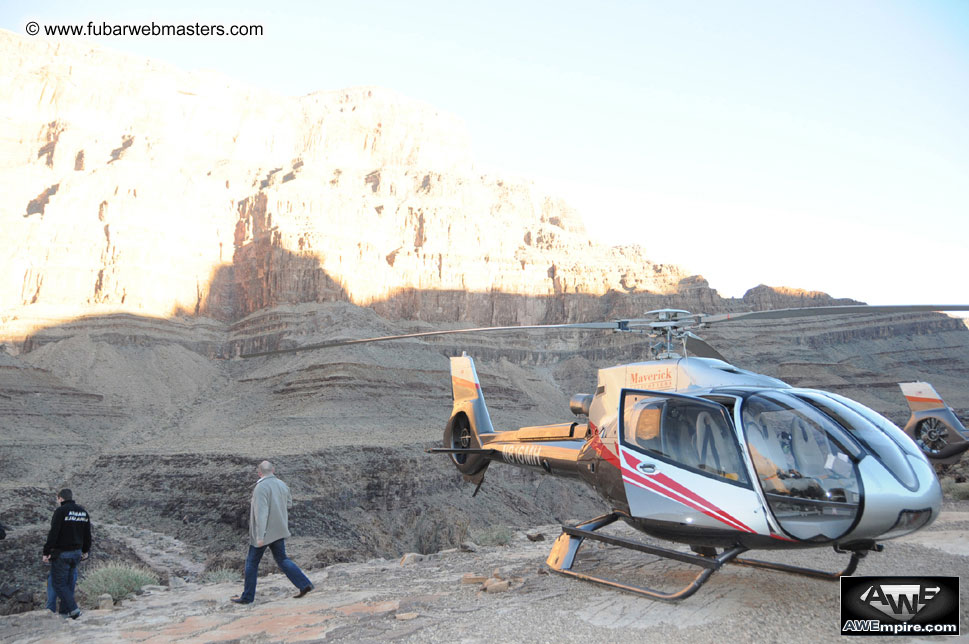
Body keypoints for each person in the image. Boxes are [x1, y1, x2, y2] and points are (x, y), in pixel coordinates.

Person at [231, 461, 313, 604]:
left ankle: (247, 597)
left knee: (251, 563)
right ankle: (304, 584)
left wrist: (260, 536)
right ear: (273, 470)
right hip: (279, 530)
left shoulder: (260, 488)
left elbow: (261, 514)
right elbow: (289, 504)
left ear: (259, 473)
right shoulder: (282, 484)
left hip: (264, 533)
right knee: (282, 559)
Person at [43, 489, 91, 619]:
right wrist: (85, 550)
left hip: (62, 553)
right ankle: (64, 613)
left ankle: (74, 610)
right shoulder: (83, 512)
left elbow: (54, 533)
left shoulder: (60, 511)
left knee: (58, 583)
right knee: (69, 583)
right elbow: (87, 534)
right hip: (77, 553)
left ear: (60, 498)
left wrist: (46, 551)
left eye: (57, 498)